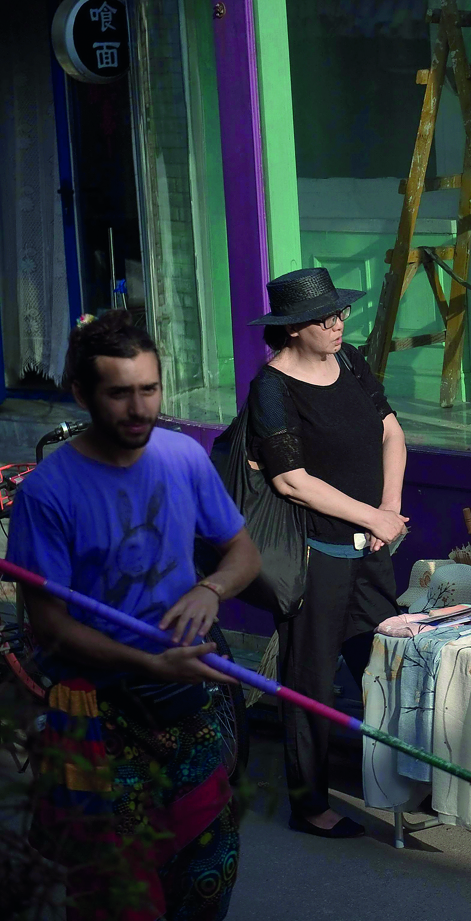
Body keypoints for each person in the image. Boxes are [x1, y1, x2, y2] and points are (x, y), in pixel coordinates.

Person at [7, 311, 261, 921]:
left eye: (149, 389)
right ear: (81, 394)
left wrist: (211, 590)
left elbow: (242, 551)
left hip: (191, 704)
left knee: (206, 872)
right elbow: (49, 624)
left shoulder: (182, 458)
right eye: (119, 393)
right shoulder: (48, 492)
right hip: (97, 714)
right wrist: (150, 659)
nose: (139, 407)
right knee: (113, 893)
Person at [247, 267, 408, 838]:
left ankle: (398, 779)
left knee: (384, 660)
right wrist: (374, 518)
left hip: (370, 545)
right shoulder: (272, 387)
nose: (338, 325)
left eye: (339, 314)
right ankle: (309, 804)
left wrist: (388, 510)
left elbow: (390, 430)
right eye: (323, 320)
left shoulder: (351, 360)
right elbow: (291, 479)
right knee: (310, 675)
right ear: (292, 330)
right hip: (317, 552)